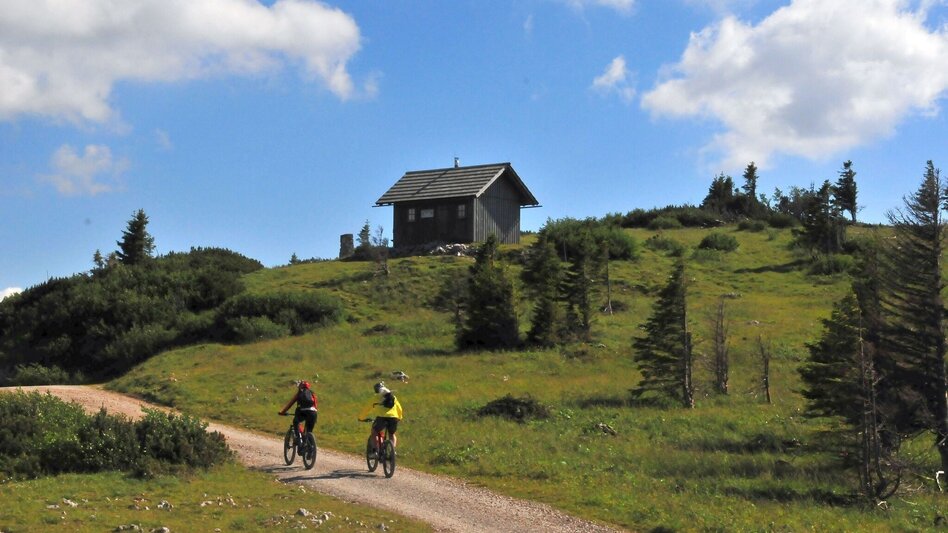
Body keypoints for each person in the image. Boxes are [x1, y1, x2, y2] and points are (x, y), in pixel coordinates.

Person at [358, 381, 403, 450]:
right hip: (394, 417)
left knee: (374, 432)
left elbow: (367, 409)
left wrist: (361, 418)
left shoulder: (376, 398)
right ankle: (393, 451)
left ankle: (376, 450)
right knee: (392, 434)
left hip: (382, 418)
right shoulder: (393, 397)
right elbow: (399, 408)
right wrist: (399, 417)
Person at [279, 380, 318, 445]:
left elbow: (290, 404)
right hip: (313, 413)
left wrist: (282, 412)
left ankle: (298, 439)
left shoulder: (300, 393)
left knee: (296, 422)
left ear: (300, 387)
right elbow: (315, 405)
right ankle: (309, 446)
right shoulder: (312, 393)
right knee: (309, 431)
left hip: (303, 412)